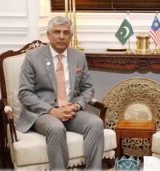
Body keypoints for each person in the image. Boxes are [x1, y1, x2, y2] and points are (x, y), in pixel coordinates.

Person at [17, 16, 104, 170]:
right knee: (56, 128)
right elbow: (25, 93)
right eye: (57, 32)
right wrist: (52, 111)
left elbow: (88, 88)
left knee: (96, 123)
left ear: (71, 36)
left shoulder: (78, 57)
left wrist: (77, 106)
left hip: (71, 110)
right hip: (43, 112)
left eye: (66, 32)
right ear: (49, 34)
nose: (61, 36)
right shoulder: (33, 57)